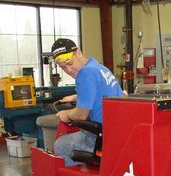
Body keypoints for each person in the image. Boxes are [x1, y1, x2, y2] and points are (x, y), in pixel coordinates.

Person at [51, 38, 124, 166]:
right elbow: (100, 93)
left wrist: (66, 114)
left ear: (78, 53)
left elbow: (81, 115)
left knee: (60, 144)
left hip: (102, 138)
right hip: (118, 133)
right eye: (63, 68)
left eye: (70, 63)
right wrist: (75, 98)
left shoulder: (85, 73)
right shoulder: (99, 68)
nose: (69, 70)